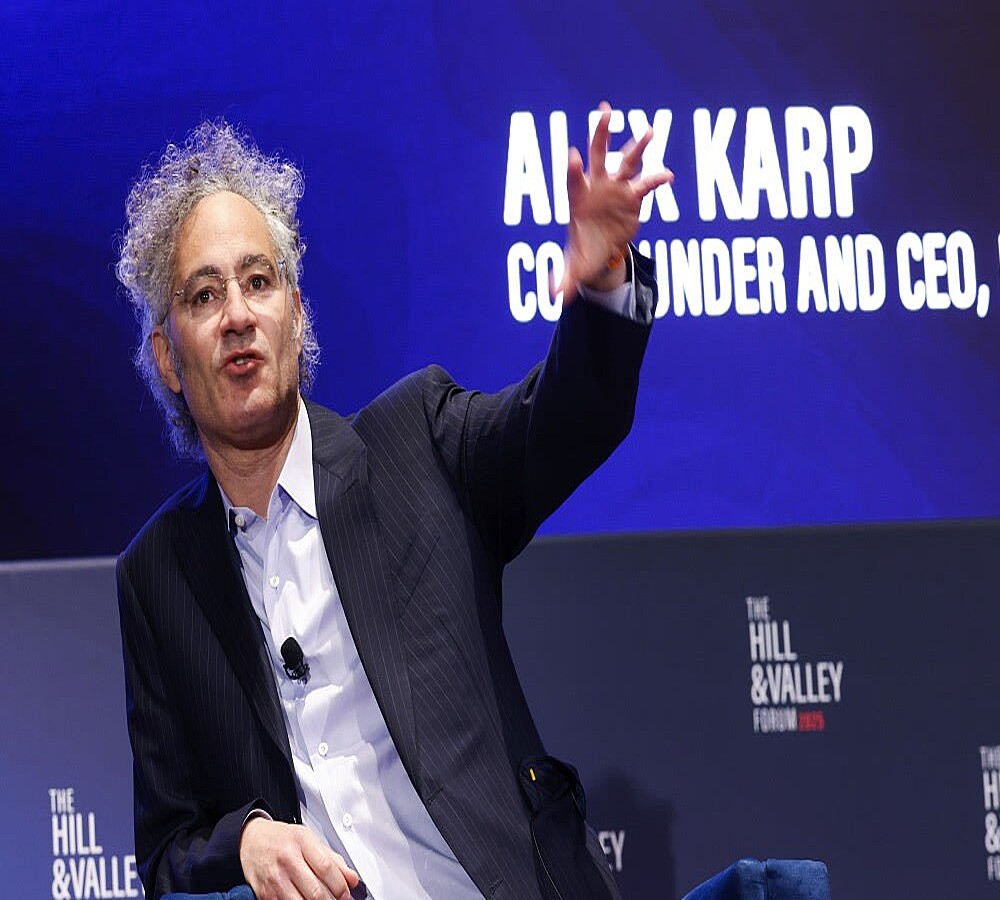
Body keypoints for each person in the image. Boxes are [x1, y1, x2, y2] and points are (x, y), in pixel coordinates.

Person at [115, 105, 671, 900]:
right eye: (204, 295)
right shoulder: (159, 576)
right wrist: (246, 843)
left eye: (259, 282)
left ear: (295, 315)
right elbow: (167, 855)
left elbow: (571, 420)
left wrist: (605, 281)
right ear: (169, 357)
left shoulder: (416, 443)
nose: (237, 315)